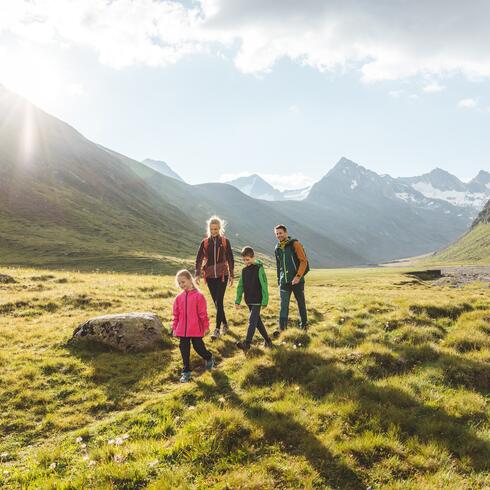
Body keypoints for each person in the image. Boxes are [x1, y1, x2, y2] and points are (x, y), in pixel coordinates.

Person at [195, 216, 234, 340]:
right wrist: (197, 274)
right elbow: (199, 258)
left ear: (220, 228)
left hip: (223, 275)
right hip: (210, 276)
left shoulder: (225, 242)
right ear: (209, 229)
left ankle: (217, 329)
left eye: (216, 229)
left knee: (219, 301)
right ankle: (225, 324)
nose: (214, 231)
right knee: (217, 304)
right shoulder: (205, 242)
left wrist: (232, 275)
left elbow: (231, 258)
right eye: (212, 229)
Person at [172, 269, 215, 383]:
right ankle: (186, 372)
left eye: (183, 282)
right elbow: (176, 315)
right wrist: (175, 328)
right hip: (182, 330)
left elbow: (203, 314)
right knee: (184, 349)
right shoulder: (178, 298)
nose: (181, 285)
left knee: (199, 347)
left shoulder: (198, 296)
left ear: (190, 280)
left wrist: (206, 327)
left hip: (195, 329)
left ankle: (209, 357)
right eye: (179, 283)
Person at [273, 224, 309, 338]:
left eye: (281, 233)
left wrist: (298, 276)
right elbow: (279, 266)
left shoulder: (295, 244)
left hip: (297, 280)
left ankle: (304, 326)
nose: (279, 235)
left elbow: (303, 261)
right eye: (277, 233)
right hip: (284, 282)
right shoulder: (277, 248)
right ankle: (282, 330)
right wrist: (279, 280)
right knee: (283, 306)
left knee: (301, 304)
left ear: (286, 233)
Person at [235, 246, 273, 351]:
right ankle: (268, 341)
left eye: (248, 259)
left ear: (253, 257)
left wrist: (265, 300)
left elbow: (264, 284)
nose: (246, 262)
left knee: (252, 320)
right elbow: (240, 286)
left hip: (257, 299)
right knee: (257, 322)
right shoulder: (244, 271)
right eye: (244, 260)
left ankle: (247, 344)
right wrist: (237, 300)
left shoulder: (259, 269)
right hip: (249, 300)